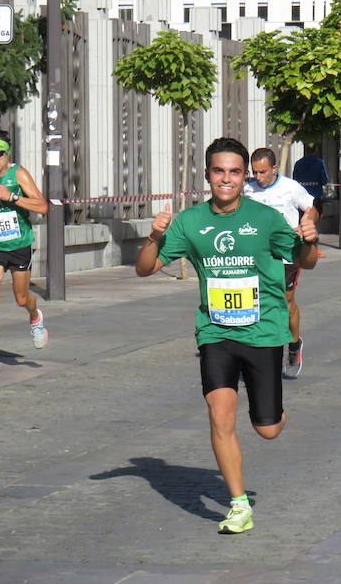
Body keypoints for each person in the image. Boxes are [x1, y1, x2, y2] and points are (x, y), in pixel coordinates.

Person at [136, 137, 319, 534]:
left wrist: (310, 238)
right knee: (220, 416)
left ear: (243, 177)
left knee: (267, 429)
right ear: (208, 175)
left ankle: (274, 408)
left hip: (265, 330)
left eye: (235, 172)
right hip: (215, 331)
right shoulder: (189, 221)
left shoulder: (266, 218)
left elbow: (307, 261)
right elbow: (145, 269)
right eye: (219, 171)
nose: (227, 178)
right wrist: (153, 236)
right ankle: (238, 506)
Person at [0, 132, 50, 376]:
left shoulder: (19, 174)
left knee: (22, 299)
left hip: (19, 245)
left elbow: (43, 206)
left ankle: (35, 317)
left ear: (6, 155)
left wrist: (13, 197)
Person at [245, 147, 318, 378]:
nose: (258, 177)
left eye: (263, 172)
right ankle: (258, 352)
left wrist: (307, 221)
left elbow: (312, 208)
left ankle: (294, 344)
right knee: (255, 302)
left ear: (274, 169)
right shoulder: (247, 189)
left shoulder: (290, 187)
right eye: (255, 172)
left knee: (286, 302)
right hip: (257, 256)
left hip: (287, 254)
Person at [292, 142, 329, 219]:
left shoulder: (298, 163)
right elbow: (324, 180)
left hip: (301, 196)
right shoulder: (319, 163)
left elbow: (295, 180)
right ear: (315, 150)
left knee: (302, 219)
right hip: (316, 196)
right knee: (315, 218)